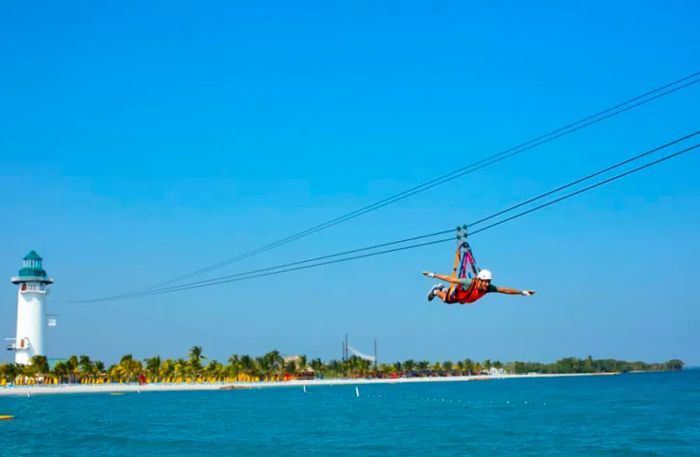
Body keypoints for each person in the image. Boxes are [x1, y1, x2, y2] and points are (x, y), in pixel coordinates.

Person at [422, 269, 535, 304]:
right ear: (479, 280)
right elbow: (451, 279)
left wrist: (522, 292)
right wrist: (433, 275)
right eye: (484, 281)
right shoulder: (469, 282)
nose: (486, 284)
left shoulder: (488, 288)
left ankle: (443, 288)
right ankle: (437, 291)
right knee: (448, 300)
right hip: (459, 293)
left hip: (465, 298)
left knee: (461, 301)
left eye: (488, 281)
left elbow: (504, 290)